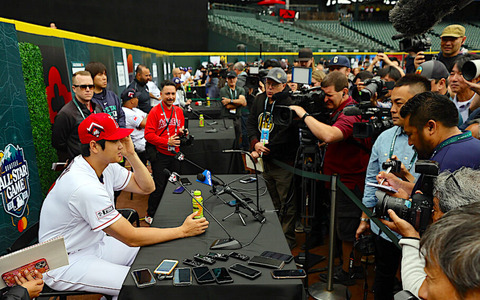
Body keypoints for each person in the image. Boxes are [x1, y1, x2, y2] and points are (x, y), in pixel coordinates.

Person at [39, 113, 208, 299]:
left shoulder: (103, 164)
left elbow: (147, 187)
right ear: (94, 146)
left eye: (121, 139)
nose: (121, 144)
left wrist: (131, 154)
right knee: (142, 284)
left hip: (94, 244)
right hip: (65, 261)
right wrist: (183, 230)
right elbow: (131, 237)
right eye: (114, 141)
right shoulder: (83, 186)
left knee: (153, 252)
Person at [290, 71, 371, 285]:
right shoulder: (339, 109)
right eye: (323, 95)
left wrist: (303, 114)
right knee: (339, 228)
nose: (325, 100)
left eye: (329, 95)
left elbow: (330, 134)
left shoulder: (351, 113)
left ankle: (348, 272)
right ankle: (346, 265)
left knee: (346, 230)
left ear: (345, 92)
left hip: (349, 184)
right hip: (338, 180)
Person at [356, 74, 431, 300]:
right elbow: (371, 180)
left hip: (421, 233)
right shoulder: (383, 138)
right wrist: (365, 218)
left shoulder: (431, 139)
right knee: (384, 278)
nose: (392, 109)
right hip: (384, 226)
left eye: (400, 103)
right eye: (392, 102)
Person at [379, 168, 480, 299]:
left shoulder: (459, 255)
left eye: (434, 209)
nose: (432, 216)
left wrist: (410, 237)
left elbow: (416, 287)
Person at [378, 91, 480, 197]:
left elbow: (441, 211)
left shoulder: (443, 164)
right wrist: (399, 184)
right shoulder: (473, 146)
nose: (410, 142)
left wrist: (406, 204)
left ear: (431, 127)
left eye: (410, 134)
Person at [247, 67, 299, 249]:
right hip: (264, 160)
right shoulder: (260, 99)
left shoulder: (290, 102)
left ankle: (287, 240)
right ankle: (273, 234)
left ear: (284, 85)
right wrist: (255, 143)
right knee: (271, 199)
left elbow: (287, 134)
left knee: (287, 202)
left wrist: (264, 148)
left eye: (274, 85)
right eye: (268, 84)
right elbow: (252, 123)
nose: (270, 88)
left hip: (283, 161)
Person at [144, 80, 188, 224]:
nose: (170, 97)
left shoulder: (179, 111)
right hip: (160, 155)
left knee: (176, 184)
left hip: (175, 154)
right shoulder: (155, 111)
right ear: (161, 94)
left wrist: (183, 132)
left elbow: (179, 130)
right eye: (167, 94)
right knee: (159, 187)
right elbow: (148, 135)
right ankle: (150, 213)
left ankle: (171, 211)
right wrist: (165, 142)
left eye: (173, 94)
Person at [52, 70, 103, 162]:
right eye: (83, 87)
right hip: (80, 164)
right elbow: (58, 143)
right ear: (74, 88)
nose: (88, 90)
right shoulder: (66, 114)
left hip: (100, 160)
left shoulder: (98, 108)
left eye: (91, 86)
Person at [85, 62, 126, 127]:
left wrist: (122, 132)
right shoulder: (89, 100)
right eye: (100, 75)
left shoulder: (112, 95)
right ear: (91, 77)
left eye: (105, 74)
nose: (104, 78)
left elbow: (121, 115)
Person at [448, 53, 480, 125]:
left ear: (476, 77)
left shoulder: (477, 107)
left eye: (461, 74)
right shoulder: (446, 105)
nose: (454, 79)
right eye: (452, 74)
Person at [121, 88, 148, 165]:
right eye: (136, 98)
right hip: (138, 143)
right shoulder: (126, 112)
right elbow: (145, 124)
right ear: (132, 100)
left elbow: (149, 116)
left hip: (143, 139)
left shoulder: (135, 109)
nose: (137, 100)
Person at [220, 71, 247, 148]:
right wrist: (240, 104)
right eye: (230, 78)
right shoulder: (223, 90)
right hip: (227, 118)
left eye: (233, 78)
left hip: (237, 118)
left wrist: (229, 101)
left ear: (236, 79)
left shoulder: (240, 89)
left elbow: (243, 102)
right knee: (228, 140)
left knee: (238, 139)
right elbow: (228, 106)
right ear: (227, 79)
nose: (232, 80)